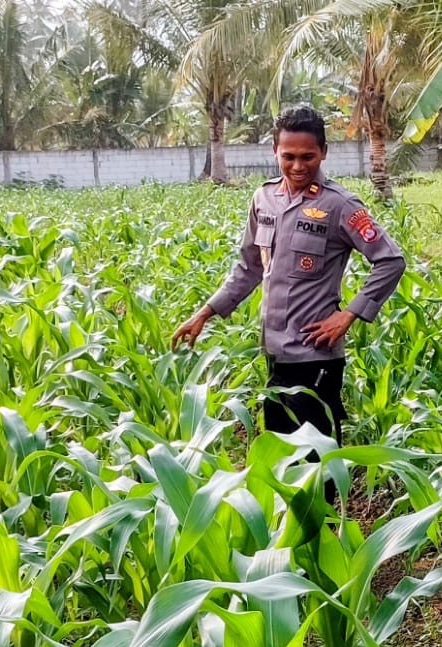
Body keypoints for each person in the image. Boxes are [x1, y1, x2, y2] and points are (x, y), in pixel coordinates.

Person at [172, 105, 406, 448]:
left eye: (307, 156)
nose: (298, 166)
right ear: (275, 151)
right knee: (281, 455)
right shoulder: (264, 199)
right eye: (289, 156)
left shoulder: (340, 205)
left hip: (315, 357)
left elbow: (390, 260)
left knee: (317, 459)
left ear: (323, 152)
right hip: (275, 353)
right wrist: (204, 313)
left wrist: (348, 315)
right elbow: (249, 267)